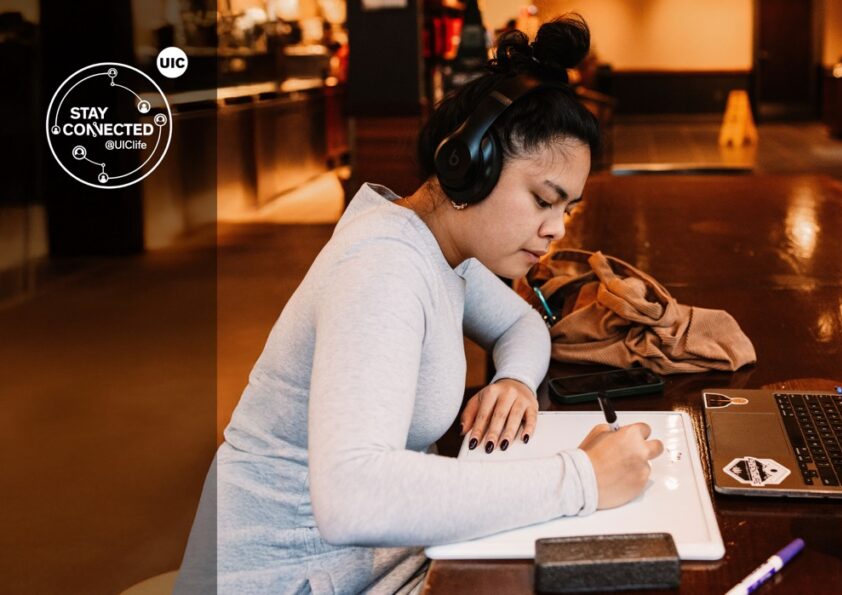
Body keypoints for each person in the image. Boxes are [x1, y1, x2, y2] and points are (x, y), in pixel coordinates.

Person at [175, 15, 663, 595]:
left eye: (567, 209)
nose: (555, 229)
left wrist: (513, 381)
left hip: (372, 561)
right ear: (468, 165)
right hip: (291, 576)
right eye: (542, 199)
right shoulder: (383, 266)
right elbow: (352, 496)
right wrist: (581, 478)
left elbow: (522, 323)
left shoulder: (437, 248)